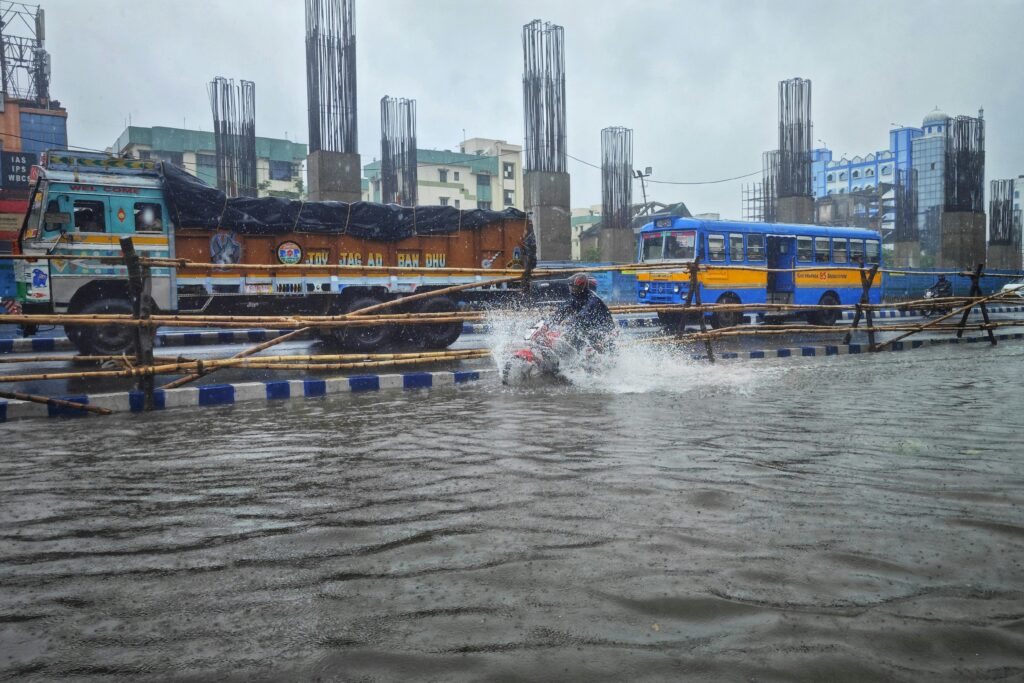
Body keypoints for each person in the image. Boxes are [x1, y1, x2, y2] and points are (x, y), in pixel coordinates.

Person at [551, 272, 616, 350]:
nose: (572, 290)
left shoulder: (592, 299)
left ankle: (579, 355)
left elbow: (584, 314)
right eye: (571, 287)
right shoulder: (577, 297)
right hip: (591, 326)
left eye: (574, 288)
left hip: (603, 329)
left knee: (578, 334)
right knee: (576, 330)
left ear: (582, 287)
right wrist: (551, 322)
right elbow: (564, 308)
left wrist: (569, 323)